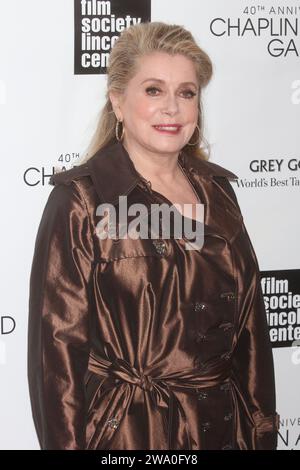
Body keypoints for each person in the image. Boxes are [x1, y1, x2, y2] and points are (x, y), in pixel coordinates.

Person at [27, 21, 279, 450]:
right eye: (153, 90)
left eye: (186, 92)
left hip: (222, 429)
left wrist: (260, 433)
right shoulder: (83, 201)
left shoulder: (220, 193)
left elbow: (251, 335)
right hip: (127, 434)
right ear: (117, 102)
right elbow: (56, 359)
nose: (172, 108)